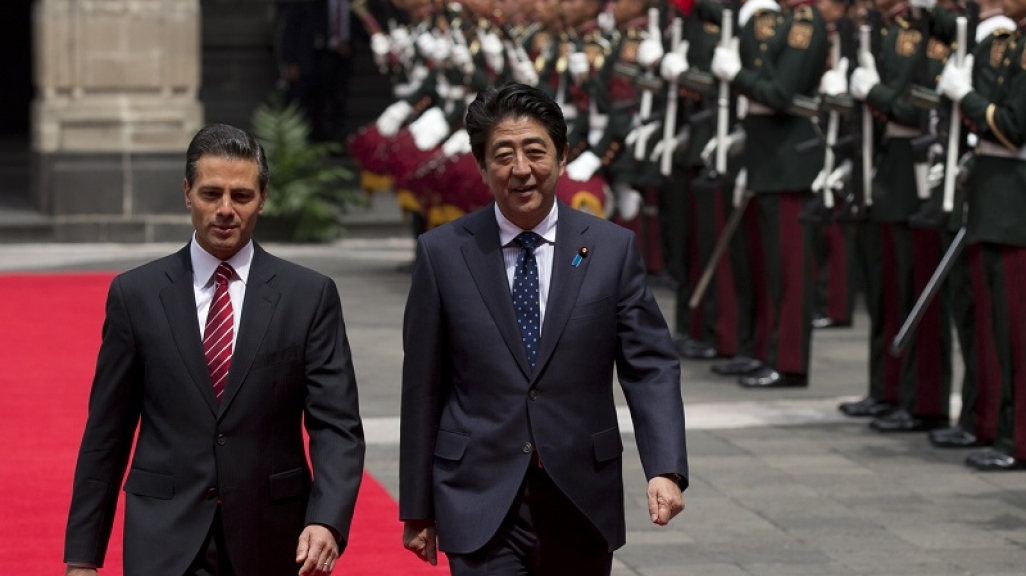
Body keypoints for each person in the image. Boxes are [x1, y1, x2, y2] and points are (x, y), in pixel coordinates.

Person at [399, 83, 688, 575]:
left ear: (563, 156)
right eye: (503, 155)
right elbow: (423, 386)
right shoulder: (443, 253)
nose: (521, 170)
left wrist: (665, 467)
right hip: (478, 494)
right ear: (481, 165)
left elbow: (650, 367)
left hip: (580, 496)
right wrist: (417, 506)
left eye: (536, 152)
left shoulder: (610, 248)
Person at [63, 124, 366, 575]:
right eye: (211, 194)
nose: (225, 210)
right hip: (163, 538)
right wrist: (83, 558)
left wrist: (327, 520)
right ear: (187, 193)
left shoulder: (309, 295)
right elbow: (106, 433)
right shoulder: (136, 295)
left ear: (263, 197)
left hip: (272, 538)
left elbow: (337, 426)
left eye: (241, 196)